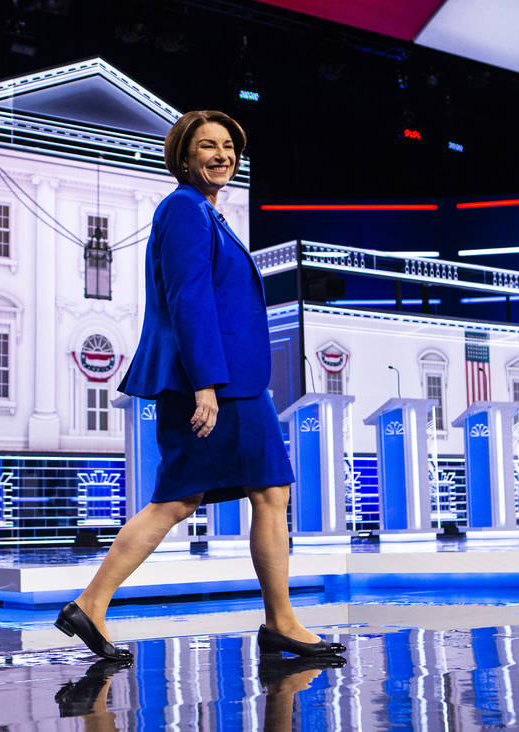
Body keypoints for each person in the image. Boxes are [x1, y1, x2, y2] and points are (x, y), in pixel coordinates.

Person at [55, 110, 345, 661]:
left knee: (266, 492)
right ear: (184, 156)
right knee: (179, 499)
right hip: (213, 383)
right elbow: (190, 298)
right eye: (207, 145)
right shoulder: (184, 210)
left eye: (229, 146)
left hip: (234, 382)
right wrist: (207, 385)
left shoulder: (206, 213)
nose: (222, 154)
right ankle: (92, 603)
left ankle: (279, 620)